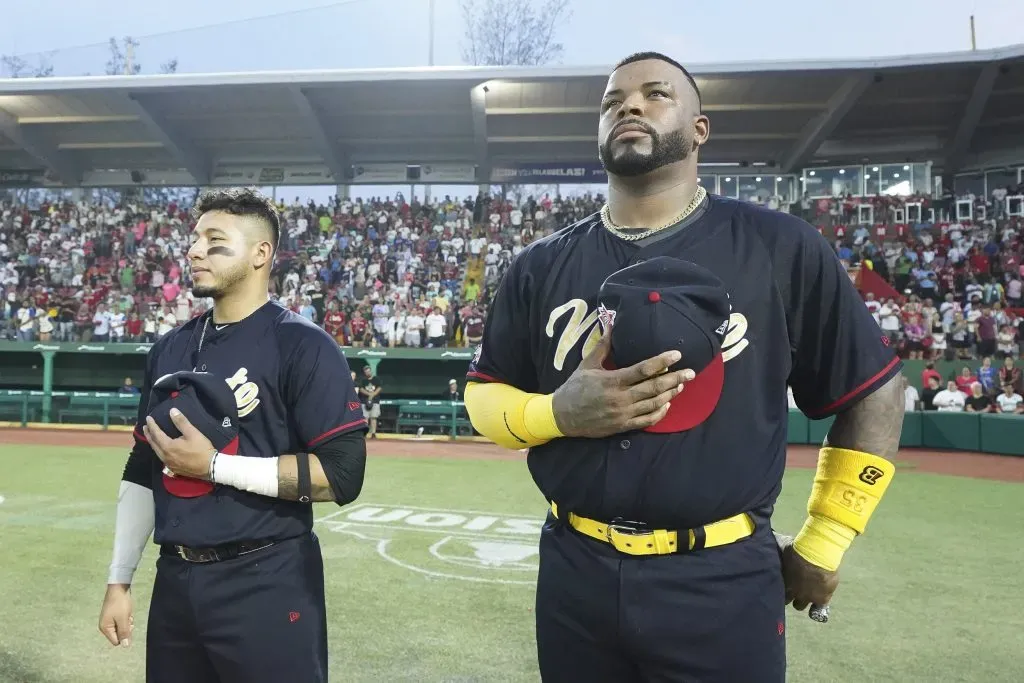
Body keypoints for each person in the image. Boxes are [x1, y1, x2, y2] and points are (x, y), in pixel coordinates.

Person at [464, 52, 904, 682]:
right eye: (612, 101)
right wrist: (557, 413)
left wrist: (826, 538)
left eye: (656, 94)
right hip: (574, 569)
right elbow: (484, 396)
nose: (630, 106)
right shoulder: (540, 263)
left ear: (700, 130)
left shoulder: (780, 246)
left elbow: (875, 394)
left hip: (721, 577)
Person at [97, 188, 369, 683]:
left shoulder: (303, 345)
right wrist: (119, 579)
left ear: (260, 254)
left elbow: (343, 475)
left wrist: (214, 466)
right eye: (195, 239)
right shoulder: (169, 349)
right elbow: (143, 469)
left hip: (269, 580)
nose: (194, 250)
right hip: (175, 580)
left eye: (214, 240)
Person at [358, 364, 382, 439]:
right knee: (365, 418)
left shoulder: (376, 379)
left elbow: (379, 388)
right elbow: (361, 389)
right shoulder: (363, 380)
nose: (368, 372)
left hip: (375, 401)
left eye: (368, 371)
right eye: (366, 371)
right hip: (364, 401)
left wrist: (373, 394)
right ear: (364, 372)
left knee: (374, 417)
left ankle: (373, 433)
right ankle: (365, 433)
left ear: (371, 371)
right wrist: (369, 394)